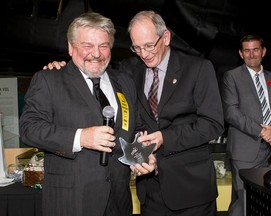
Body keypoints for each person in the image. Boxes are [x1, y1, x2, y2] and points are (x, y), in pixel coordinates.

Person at [44, 10, 224, 216]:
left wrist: (164, 138)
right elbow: (94, 69)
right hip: (149, 188)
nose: (144, 53)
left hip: (192, 189)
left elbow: (212, 124)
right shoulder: (129, 70)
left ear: (165, 38)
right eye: (136, 47)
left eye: (149, 46)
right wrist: (62, 69)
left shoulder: (199, 68)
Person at [19, 12, 156, 216]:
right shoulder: (49, 80)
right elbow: (29, 128)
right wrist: (81, 137)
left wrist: (140, 157)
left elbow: (131, 132)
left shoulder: (124, 82)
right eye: (87, 46)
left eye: (103, 45)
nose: (96, 54)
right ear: (70, 47)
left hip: (118, 202)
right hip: (71, 203)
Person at [222, 34, 271, 216]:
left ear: (263, 51)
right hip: (244, 151)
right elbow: (231, 112)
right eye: (247, 50)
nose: (252, 54)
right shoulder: (231, 77)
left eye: (256, 49)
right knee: (243, 201)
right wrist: (263, 131)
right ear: (241, 54)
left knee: (267, 201)